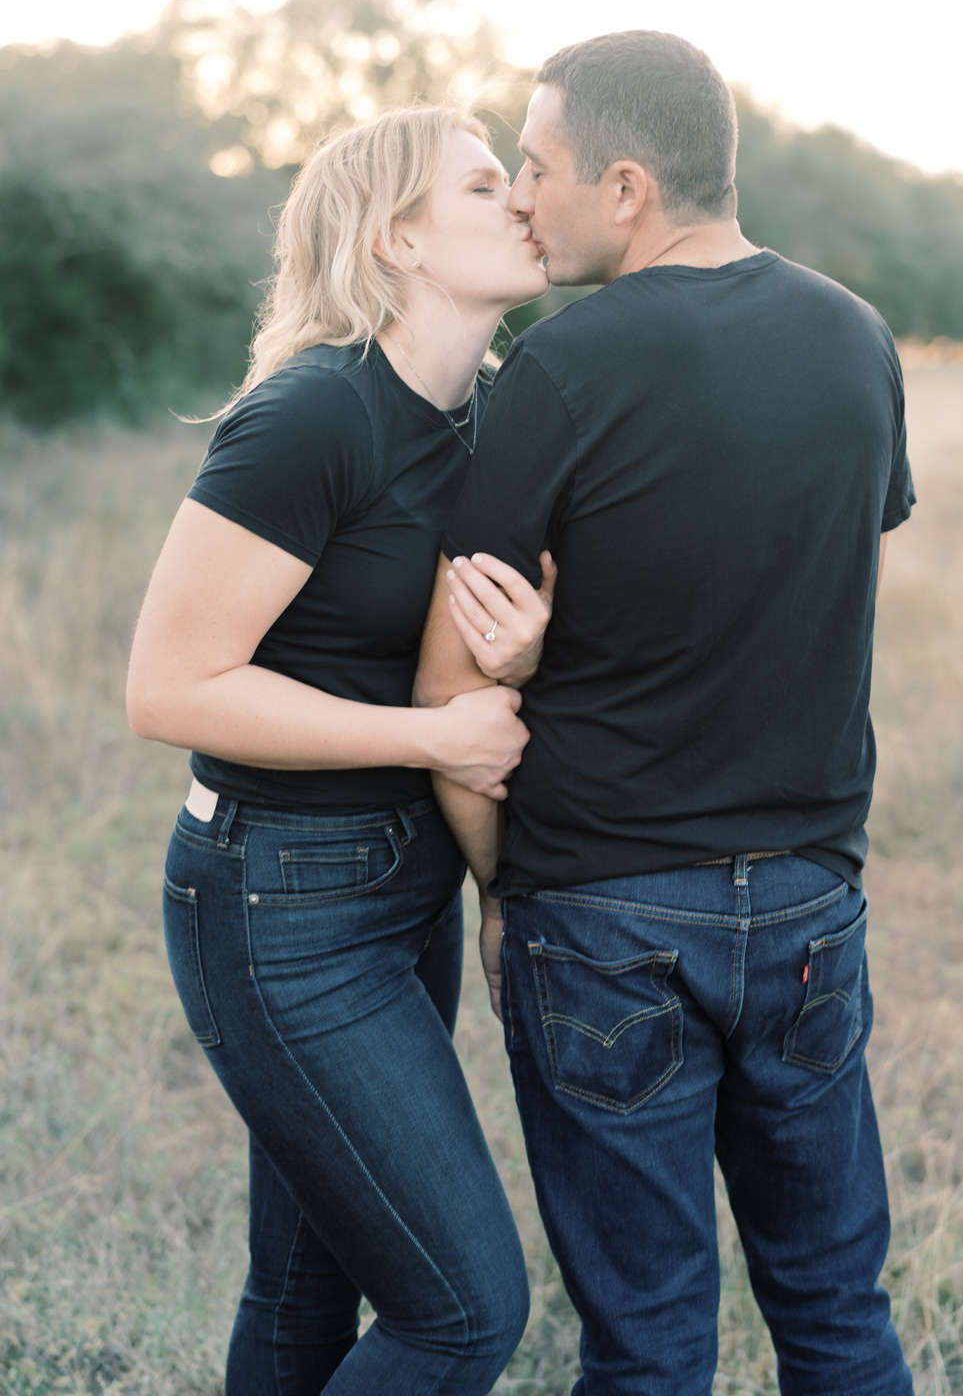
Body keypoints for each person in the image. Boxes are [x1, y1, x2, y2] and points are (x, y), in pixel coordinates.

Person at [415, 33, 917, 1395]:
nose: (524, 195)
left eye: (539, 166)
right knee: (835, 1313)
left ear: (625, 187)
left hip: (603, 914)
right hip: (811, 905)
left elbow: (449, 691)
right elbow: (814, 582)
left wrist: (503, 883)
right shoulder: (855, 336)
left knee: (646, 1343)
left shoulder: (562, 371)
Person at [126, 106, 558, 1395]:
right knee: (465, 1313)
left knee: (308, 1281)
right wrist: (428, 732)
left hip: (401, 885)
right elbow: (168, 686)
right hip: (278, 902)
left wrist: (514, 669)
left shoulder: (488, 415)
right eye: (488, 187)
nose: (526, 201)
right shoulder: (314, 414)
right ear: (399, 239)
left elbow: (461, 650)